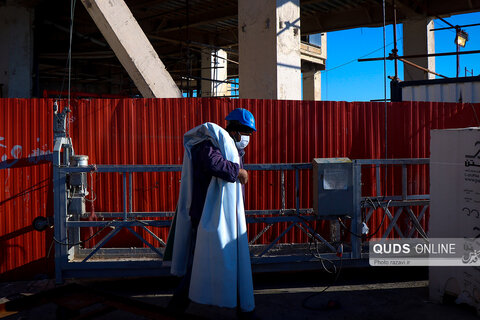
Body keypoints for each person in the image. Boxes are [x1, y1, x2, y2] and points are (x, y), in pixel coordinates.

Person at [167, 108, 257, 318]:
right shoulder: (207, 143)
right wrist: (238, 172)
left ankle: (241, 309)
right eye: (247, 134)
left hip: (224, 218)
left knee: (225, 262)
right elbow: (213, 164)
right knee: (199, 263)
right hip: (206, 215)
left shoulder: (229, 148)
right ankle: (175, 309)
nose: (248, 139)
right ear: (235, 131)